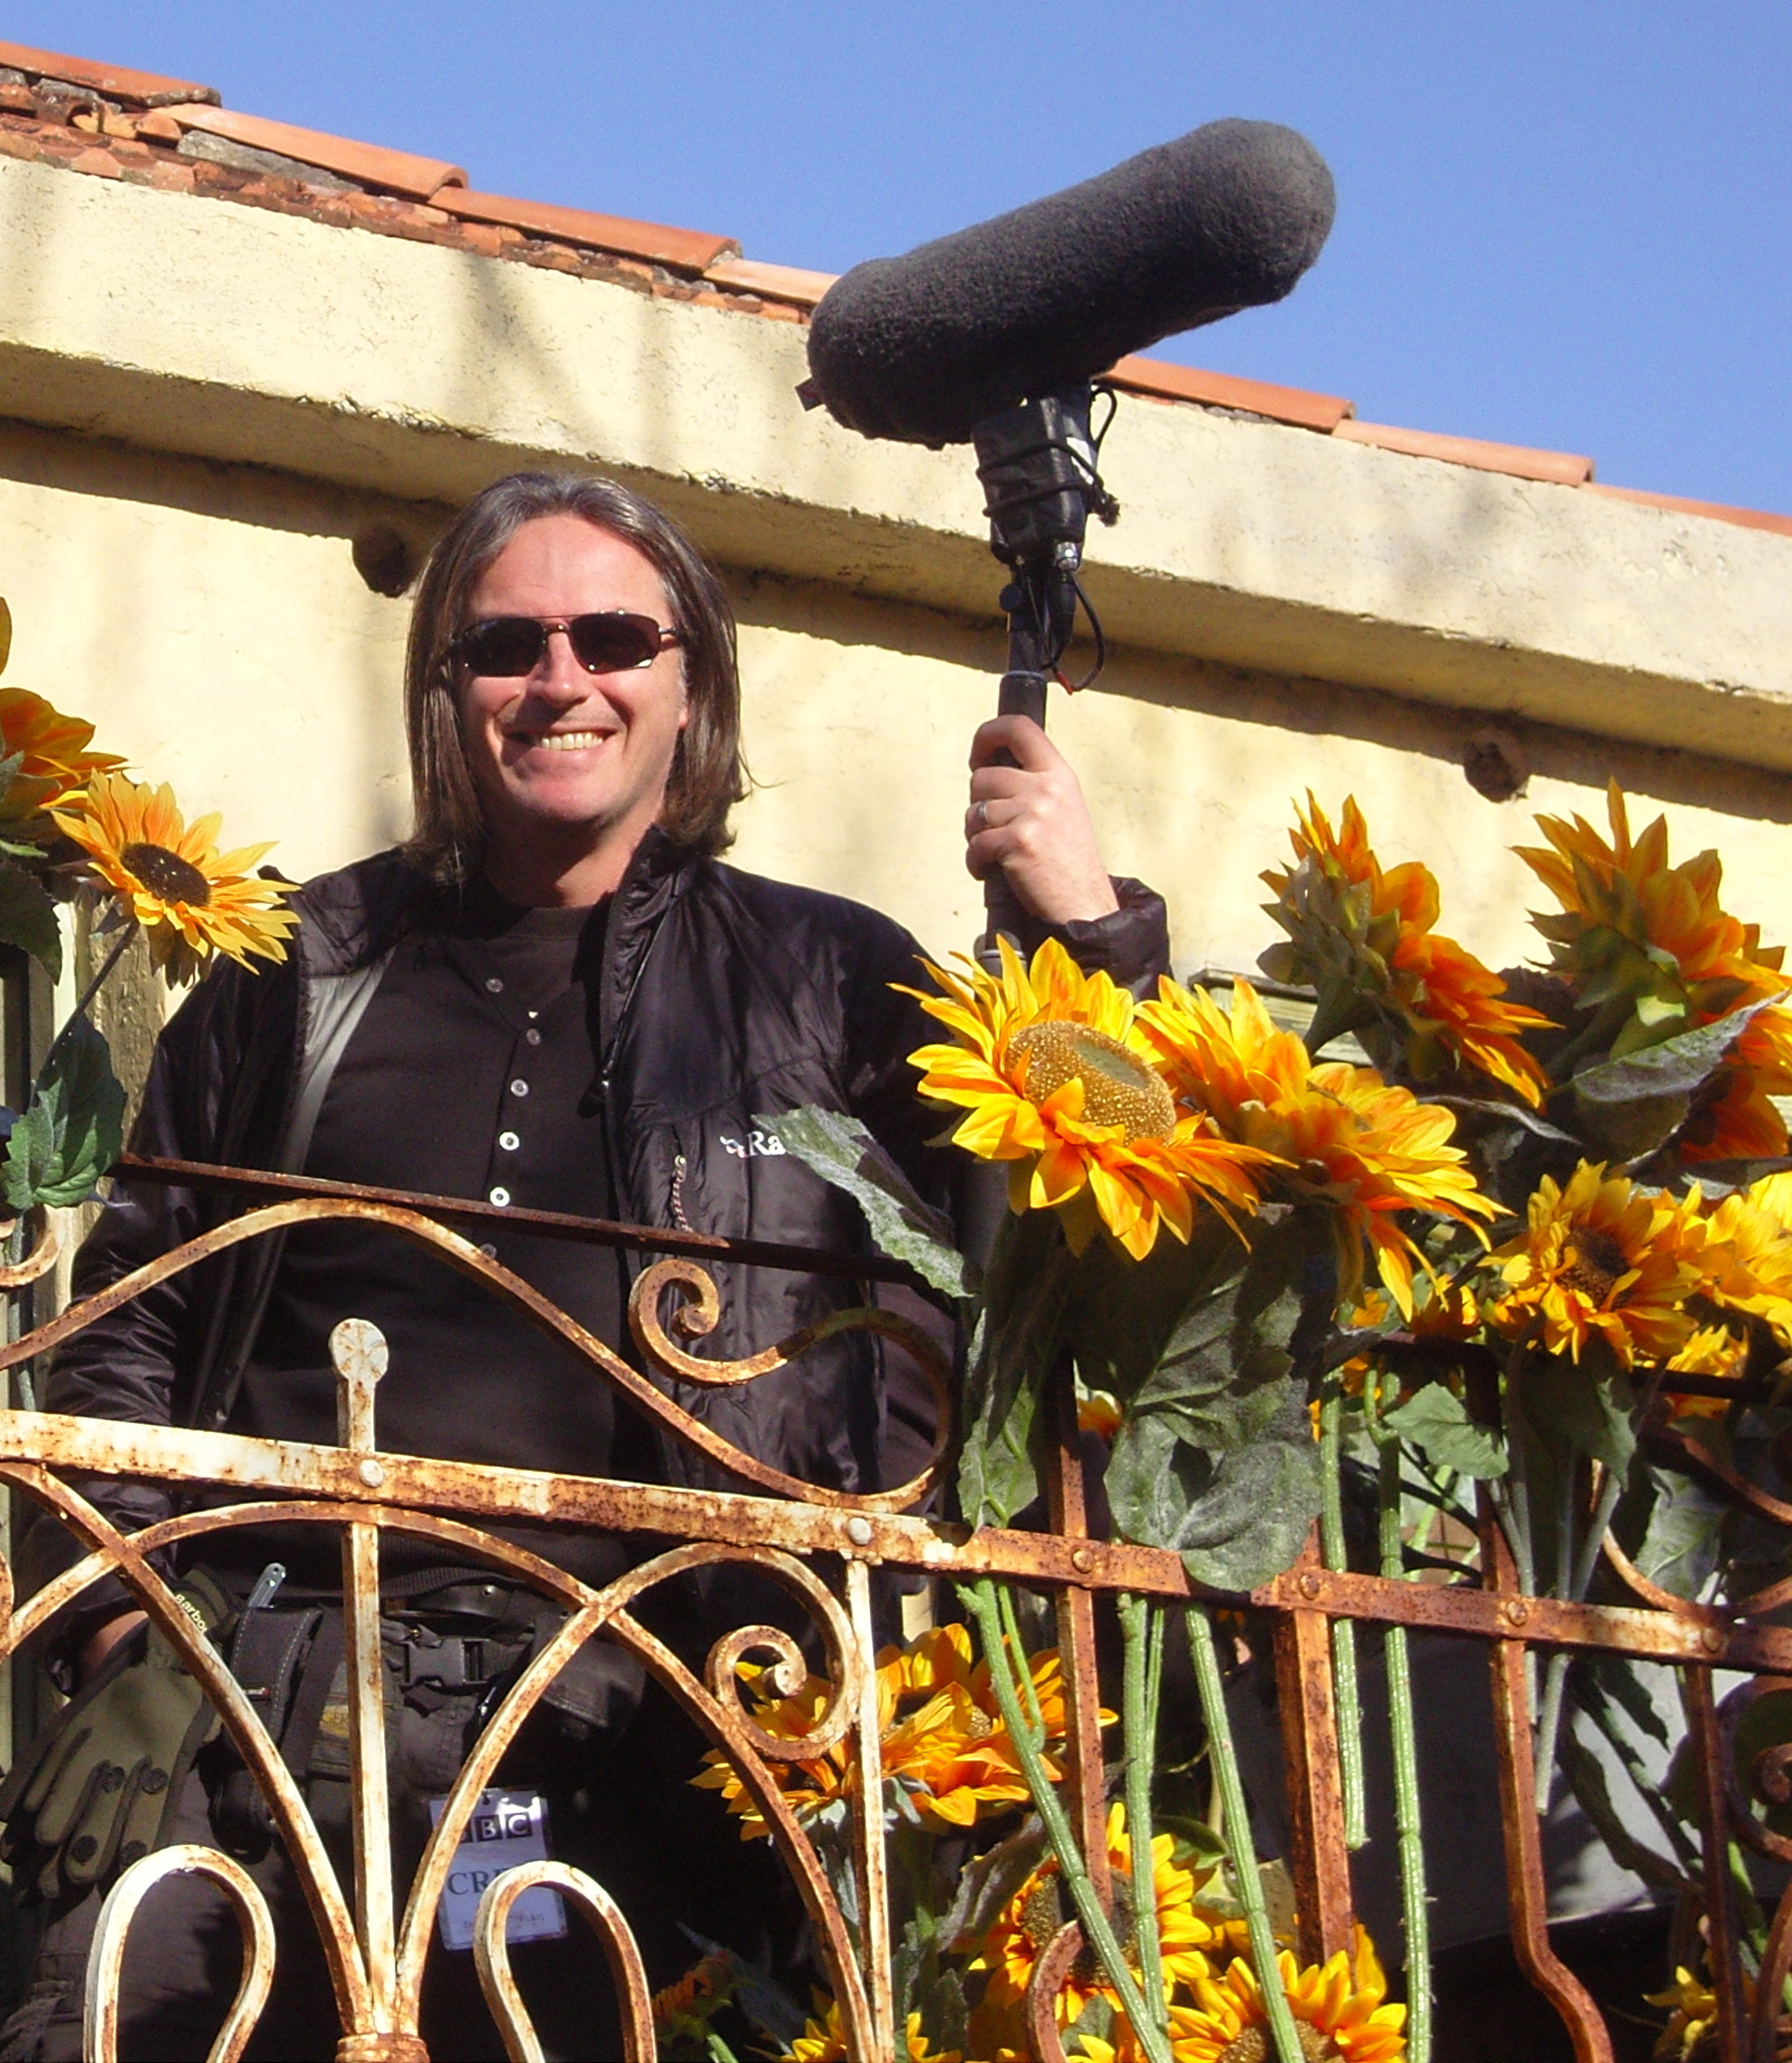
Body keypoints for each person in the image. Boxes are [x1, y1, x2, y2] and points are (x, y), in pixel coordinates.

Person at [0, 471, 1168, 2061]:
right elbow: (136, 1313)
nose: (564, 679)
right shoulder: (299, 968)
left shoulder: (830, 979)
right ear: (447, 689)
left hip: (674, 1744)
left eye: (616, 636)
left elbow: (1098, 1230)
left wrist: (1086, 936)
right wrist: (131, 1627)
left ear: (692, 687)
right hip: (264, 1735)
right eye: (509, 644)